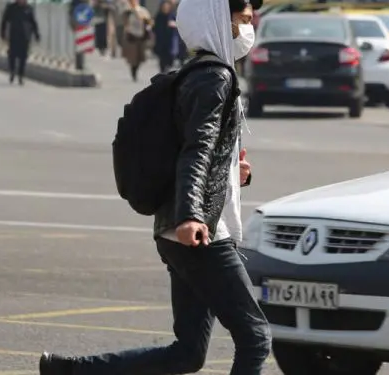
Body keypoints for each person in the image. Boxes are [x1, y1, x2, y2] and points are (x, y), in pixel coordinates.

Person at [37, 0, 271, 374]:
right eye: (241, 14)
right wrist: (193, 215)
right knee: (255, 337)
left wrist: (233, 171)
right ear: (215, 17)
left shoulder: (196, 73)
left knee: (188, 354)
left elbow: (197, 148)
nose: (248, 20)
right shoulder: (215, 78)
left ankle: (72, 370)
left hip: (175, 228)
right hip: (200, 232)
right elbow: (195, 151)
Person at [0, 0, 40, 85]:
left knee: (23, 57)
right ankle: (12, 71)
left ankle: (21, 75)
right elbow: (4, 21)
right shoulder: (11, 8)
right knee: (12, 55)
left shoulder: (29, 9)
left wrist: (36, 35)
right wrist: (3, 33)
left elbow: (33, 22)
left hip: (25, 37)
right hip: (14, 36)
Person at [121, 0, 152, 81]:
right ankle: (133, 71)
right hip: (132, 37)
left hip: (141, 36)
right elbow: (124, 22)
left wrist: (144, 19)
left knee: (140, 57)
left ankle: (136, 68)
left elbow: (149, 22)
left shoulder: (143, 10)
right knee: (132, 57)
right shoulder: (127, 12)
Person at [152, 0, 177, 72]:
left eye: (167, 7)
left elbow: (179, 25)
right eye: (164, 7)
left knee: (171, 56)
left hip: (170, 40)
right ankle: (163, 71)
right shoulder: (158, 16)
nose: (165, 8)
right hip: (160, 41)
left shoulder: (172, 15)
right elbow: (154, 28)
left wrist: (174, 24)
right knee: (162, 58)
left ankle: (168, 67)